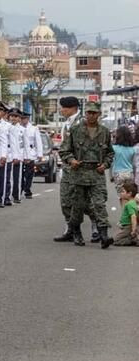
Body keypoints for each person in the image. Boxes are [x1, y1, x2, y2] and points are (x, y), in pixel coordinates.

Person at [59, 101, 114, 248]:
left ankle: (104, 235)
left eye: (94, 113)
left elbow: (110, 153)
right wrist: (72, 160)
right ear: (85, 114)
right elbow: (64, 150)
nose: (91, 115)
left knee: (99, 204)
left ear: (99, 114)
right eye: (89, 113)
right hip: (79, 173)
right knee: (78, 206)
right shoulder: (76, 130)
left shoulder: (104, 132)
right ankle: (76, 232)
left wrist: (105, 165)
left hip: (96, 173)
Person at [54, 96, 98, 243]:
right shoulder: (66, 123)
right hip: (67, 167)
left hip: (81, 168)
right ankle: (70, 229)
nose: (61, 110)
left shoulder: (84, 123)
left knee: (84, 201)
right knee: (65, 201)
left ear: (72, 108)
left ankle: (96, 226)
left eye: (63, 107)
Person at [20, 112, 43, 199]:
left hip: (31, 153)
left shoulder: (34, 128)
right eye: (22, 118)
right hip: (21, 153)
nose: (23, 120)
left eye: (25, 118)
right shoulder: (18, 128)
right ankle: (20, 188)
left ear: (28, 119)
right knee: (20, 174)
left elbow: (38, 142)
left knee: (29, 174)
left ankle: (27, 190)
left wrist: (39, 154)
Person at [111, 126, 135, 198]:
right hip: (129, 173)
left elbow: (112, 163)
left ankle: (122, 208)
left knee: (120, 196)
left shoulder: (114, 148)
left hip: (118, 174)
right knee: (128, 195)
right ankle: (128, 208)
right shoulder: (132, 149)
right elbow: (132, 163)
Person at [114, 181, 138, 246]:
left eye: (123, 191)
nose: (121, 193)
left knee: (116, 240)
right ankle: (133, 238)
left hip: (128, 227)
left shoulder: (129, 204)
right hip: (126, 226)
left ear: (129, 193)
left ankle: (133, 240)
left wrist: (133, 229)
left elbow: (133, 216)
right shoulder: (132, 202)